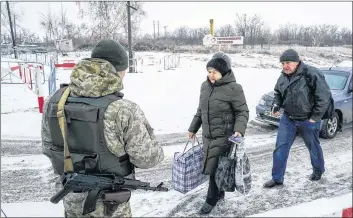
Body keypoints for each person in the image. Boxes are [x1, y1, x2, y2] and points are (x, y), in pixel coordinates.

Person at [41, 39, 164, 217]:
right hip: (111, 206)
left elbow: (48, 148)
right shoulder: (123, 109)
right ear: (119, 70)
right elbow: (148, 159)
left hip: (72, 201)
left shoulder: (54, 101)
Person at [188, 52, 249, 214]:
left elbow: (242, 112)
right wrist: (193, 128)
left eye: (214, 71)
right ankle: (219, 192)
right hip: (208, 136)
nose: (211, 75)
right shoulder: (205, 86)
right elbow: (200, 110)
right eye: (209, 71)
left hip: (224, 137)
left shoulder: (234, 89)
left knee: (215, 168)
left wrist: (239, 129)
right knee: (216, 167)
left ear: (224, 72)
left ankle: (211, 199)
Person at [263, 49, 331, 188]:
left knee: (313, 147)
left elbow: (324, 97)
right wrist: (276, 105)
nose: (285, 66)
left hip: (308, 120)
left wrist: (314, 117)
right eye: (282, 63)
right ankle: (277, 178)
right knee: (280, 148)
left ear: (297, 62)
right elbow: (278, 93)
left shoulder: (311, 73)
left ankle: (318, 171)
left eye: (288, 62)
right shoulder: (282, 77)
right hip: (288, 119)